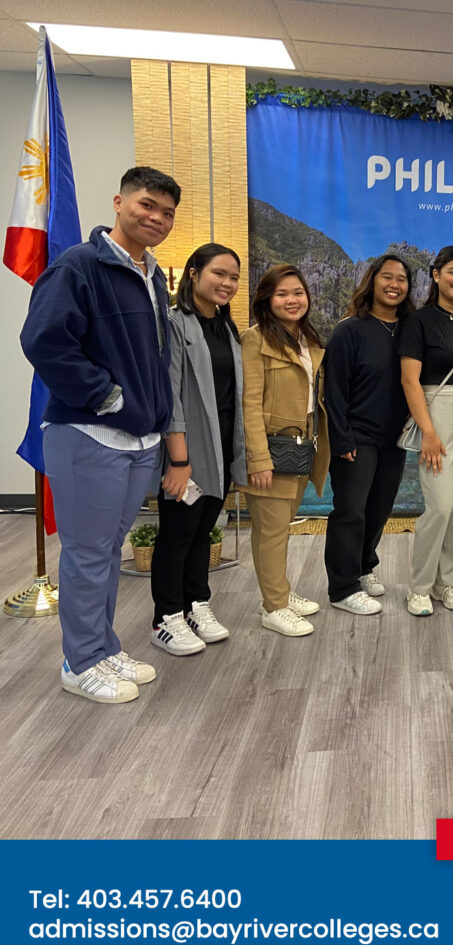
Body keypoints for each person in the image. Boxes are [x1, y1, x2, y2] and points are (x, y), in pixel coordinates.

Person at [20, 166, 181, 704]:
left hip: (138, 438)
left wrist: (152, 414)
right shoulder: (80, 266)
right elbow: (43, 340)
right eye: (147, 205)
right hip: (89, 432)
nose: (157, 218)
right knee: (88, 551)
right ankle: (80, 660)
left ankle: (104, 646)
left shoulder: (153, 275)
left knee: (108, 549)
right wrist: (106, 397)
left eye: (167, 212)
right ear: (119, 202)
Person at [150, 243, 247, 655]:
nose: (227, 283)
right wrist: (178, 460)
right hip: (187, 447)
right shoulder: (173, 324)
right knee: (177, 533)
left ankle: (195, 603)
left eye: (234, 277)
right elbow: (169, 396)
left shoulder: (226, 327)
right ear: (193, 273)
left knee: (205, 530)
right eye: (219, 274)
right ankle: (165, 617)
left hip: (221, 445)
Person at [238, 264, 329, 637]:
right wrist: (258, 458)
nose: (292, 300)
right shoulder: (255, 340)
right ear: (266, 300)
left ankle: (282, 593)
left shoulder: (306, 339)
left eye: (297, 292)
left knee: (282, 527)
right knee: (271, 531)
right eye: (282, 294)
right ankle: (273, 606)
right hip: (272, 449)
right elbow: (250, 404)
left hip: (300, 447)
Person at [399, 246, 453, 616]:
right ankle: (419, 586)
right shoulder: (418, 322)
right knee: (440, 506)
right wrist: (429, 433)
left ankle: (446, 582)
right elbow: (409, 380)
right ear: (435, 275)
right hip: (437, 413)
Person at [323, 254, 414, 615]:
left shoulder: (410, 330)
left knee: (379, 509)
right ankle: (342, 587)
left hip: (394, 439)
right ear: (372, 281)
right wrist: (342, 439)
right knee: (350, 511)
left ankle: (363, 567)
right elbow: (334, 389)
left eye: (402, 279)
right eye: (387, 277)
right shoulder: (350, 329)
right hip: (356, 436)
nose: (394, 284)